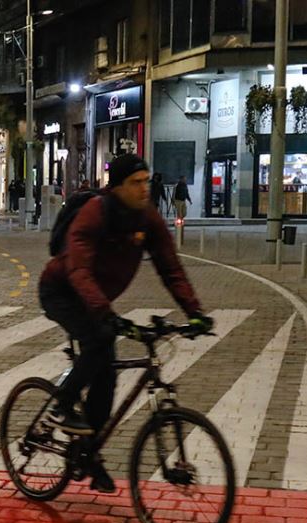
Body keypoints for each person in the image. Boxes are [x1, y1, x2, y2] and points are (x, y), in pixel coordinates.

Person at [38, 154, 211, 493]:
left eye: (147, 180)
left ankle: (88, 453)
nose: (145, 188)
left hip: (95, 299)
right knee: (100, 342)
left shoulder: (148, 220)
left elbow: (170, 268)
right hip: (62, 290)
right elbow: (78, 270)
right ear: (117, 187)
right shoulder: (95, 213)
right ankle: (61, 405)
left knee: (107, 376)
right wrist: (107, 314)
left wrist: (194, 313)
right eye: (136, 182)